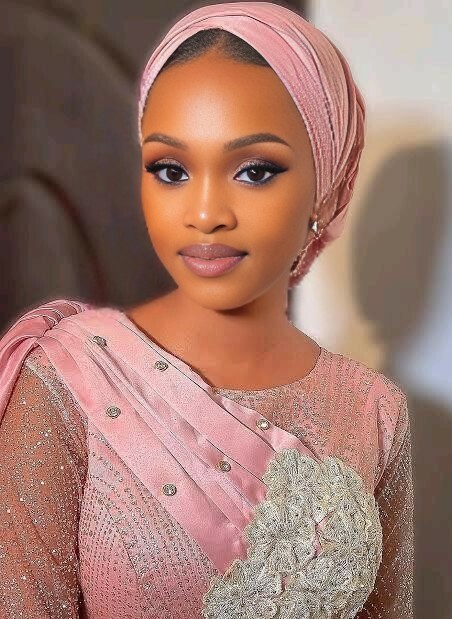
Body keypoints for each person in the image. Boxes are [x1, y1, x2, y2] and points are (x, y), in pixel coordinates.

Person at [0, 2, 413, 618]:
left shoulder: (373, 410)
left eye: (254, 171)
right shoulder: (69, 380)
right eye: (171, 170)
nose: (204, 214)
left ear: (326, 188)